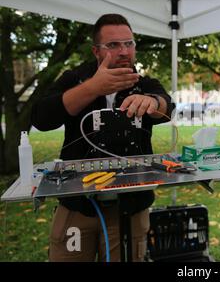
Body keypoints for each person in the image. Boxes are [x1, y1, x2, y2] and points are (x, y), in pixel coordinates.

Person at [31, 14, 174, 262]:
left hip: (130, 208)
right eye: (113, 45)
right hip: (77, 207)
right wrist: (92, 88)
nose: (123, 51)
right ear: (96, 51)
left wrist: (152, 101)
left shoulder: (143, 83)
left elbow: (167, 107)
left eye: (129, 43)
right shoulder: (75, 79)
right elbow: (42, 118)